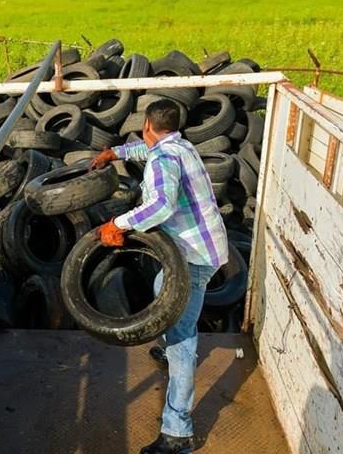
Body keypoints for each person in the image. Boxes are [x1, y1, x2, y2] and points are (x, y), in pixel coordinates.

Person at [90, 99, 229, 454]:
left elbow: (160, 206)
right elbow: (146, 149)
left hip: (194, 258)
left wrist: (117, 223)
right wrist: (114, 153)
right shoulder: (179, 146)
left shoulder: (164, 160)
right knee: (160, 290)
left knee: (182, 339)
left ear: (147, 126)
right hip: (203, 248)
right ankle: (172, 352)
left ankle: (177, 433)